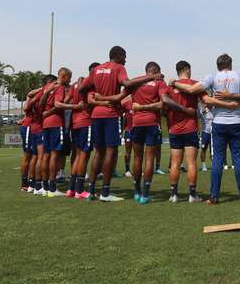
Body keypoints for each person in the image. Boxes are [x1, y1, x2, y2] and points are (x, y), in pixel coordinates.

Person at [173, 53, 240, 204]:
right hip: (237, 122)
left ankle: (214, 197)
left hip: (219, 123)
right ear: (231, 64)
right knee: (238, 159)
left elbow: (192, 90)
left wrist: (175, 83)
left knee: (218, 160)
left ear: (218, 66)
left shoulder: (212, 77)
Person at [84, 46, 161, 202]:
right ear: (118, 55)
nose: (126, 59)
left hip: (96, 114)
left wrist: (91, 102)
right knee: (111, 152)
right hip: (111, 114)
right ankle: (105, 193)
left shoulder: (96, 69)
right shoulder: (118, 68)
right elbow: (126, 83)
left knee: (98, 152)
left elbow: (82, 88)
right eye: (124, 56)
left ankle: (91, 191)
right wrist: (151, 77)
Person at [161, 60, 209, 203]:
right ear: (187, 69)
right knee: (191, 163)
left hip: (174, 129)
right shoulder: (194, 83)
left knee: (175, 163)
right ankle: (192, 195)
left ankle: (173, 195)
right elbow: (206, 101)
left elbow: (163, 108)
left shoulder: (169, 87)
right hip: (190, 129)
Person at [122, 62, 166, 205]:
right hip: (152, 123)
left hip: (136, 123)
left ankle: (137, 192)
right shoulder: (158, 83)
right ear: (156, 71)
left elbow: (120, 97)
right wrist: (144, 107)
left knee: (137, 158)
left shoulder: (136, 82)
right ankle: (145, 194)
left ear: (146, 71)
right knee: (149, 158)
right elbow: (162, 104)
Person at [55, 63, 97, 199]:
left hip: (74, 124)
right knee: (84, 156)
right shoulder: (89, 86)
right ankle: (79, 190)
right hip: (86, 122)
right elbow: (91, 101)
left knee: (77, 156)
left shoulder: (74, 86)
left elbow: (64, 102)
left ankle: (71, 189)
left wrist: (73, 106)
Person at [40, 69, 72, 197]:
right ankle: (52, 188)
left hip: (46, 123)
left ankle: (45, 186)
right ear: (63, 76)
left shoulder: (47, 87)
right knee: (55, 155)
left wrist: (46, 112)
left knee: (45, 155)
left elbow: (41, 105)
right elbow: (58, 105)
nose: (69, 81)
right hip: (56, 123)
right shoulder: (59, 88)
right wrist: (71, 105)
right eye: (68, 78)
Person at [199, 102, 213, 172]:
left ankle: (213, 164)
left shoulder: (214, 110)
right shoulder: (203, 110)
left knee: (213, 150)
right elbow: (199, 115)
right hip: (205, 133)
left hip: (213, 133)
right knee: (203, 149)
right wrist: (203, 108)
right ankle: (203, 165)